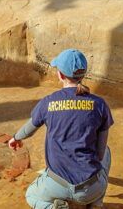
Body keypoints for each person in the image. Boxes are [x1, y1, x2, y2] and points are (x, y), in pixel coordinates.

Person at [9, 49, 114, 209]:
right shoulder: (100, 104)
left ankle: (53, 208)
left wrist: (15, 138)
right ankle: (96, 204)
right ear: (83, 75)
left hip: (56, 187)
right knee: (106, 152)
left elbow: (29, 129)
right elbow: (99, 154)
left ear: (60, 75)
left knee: (31, 195)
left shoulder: (48, 102)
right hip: (91, 189)